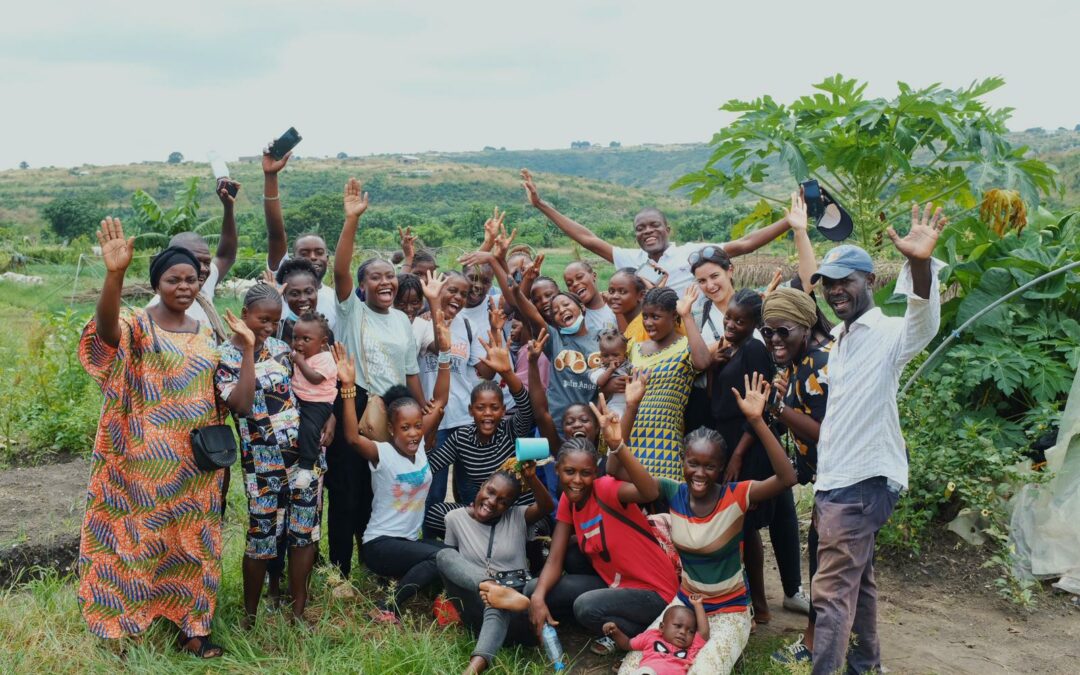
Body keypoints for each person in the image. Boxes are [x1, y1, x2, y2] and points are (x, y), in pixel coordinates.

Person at [809, 204, 947, 675]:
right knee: (857, 583)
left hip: (861, 484)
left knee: (829, 595)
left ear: (870, 280)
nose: (834, 291)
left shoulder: (887, 333)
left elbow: (923, 323)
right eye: (829, 283)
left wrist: (921, 264)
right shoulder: (842, 339)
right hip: (837, 482)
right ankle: (866, 665)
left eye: (844, 280)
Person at [78, 219, 226, 657]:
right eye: (173, 279)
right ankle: (126, 627)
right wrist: (114, 275)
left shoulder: (207, 332)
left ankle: (194, 628)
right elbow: (105, 336)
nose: (184, 286)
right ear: (156, 284)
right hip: (143, 464)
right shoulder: (137, 324)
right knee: (137, 546)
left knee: (194, 545)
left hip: (196, 466)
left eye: (191, 279)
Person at [609, 373, 798, 674]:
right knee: (633, 669)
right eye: (693, 463)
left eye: (709, 466)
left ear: (721, 468)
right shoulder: (672, 492)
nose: (699, 473)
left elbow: (787, 478)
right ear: (683, 462)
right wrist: (629, 413)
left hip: (730, 611)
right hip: (684, 607)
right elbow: (614, 470)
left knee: (704, 670)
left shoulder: (736, 496)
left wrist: (758, 421)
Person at [527, 397, 679, 656]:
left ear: (595, 474)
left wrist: (618, 445)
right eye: (569, 472)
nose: (577, 480)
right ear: (558, 471)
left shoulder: (606, 489)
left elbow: (650, 491)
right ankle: (592, 620)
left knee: (586, 607)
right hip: (616, 585)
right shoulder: (568, 500)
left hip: (654, 592)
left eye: (585, 473)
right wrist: (539, 597)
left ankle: (645, 630)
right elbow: (555, 559)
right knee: (533, 589)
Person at [329, 177, 423, 578]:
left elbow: (410, 370)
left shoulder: (402, 319)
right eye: (375, 277)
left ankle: (373, 565)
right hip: (357, 404)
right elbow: (339, 270)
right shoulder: (353, 312)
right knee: (347, 495)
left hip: (396, 413)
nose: (385, 282)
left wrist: (421, 420)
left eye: (390, 276)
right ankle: (339, 572)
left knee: (380, 494)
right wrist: (351, 221)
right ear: (362, 286)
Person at [215, 284, 324, 626]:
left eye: (274, 322)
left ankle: (297, 612)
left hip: (303, 461)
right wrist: (248, 348)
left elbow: (304, 392)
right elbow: (242, 404)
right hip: (261, 466)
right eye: (262, 319)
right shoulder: (223, 357)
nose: (268, 328)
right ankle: (250, 616)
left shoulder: (280, 348)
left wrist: (327, 418)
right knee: (261, 538)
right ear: (244, 314)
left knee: (303, 534)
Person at [333, 311, 452, 622]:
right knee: (441, 558)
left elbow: (439, 400)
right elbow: (350, 436)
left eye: (417, 427)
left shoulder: (421, 446)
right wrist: (347, 388)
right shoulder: (382, 453)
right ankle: (389, 608)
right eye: (405, 429)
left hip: (408, 543)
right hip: (380, 545)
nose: (413, 433)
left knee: (452, 556)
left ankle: (404, 588)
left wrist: (446, 355)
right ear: (391, 429)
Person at [521, 168, 791, 296]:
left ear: (667, 229)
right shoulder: (631, 260)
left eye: (654, 226)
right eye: (640, 229)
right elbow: (588, 239)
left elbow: (744, 244)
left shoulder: (690, 253)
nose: (647, 231)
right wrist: (541, 204)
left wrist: (790, 221)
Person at [761, 288, 833, 666]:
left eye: (783, 331)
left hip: (843, 479)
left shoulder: (820, 364)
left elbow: (825, 433)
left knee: (824, 562)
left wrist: (776, 407)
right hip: (827, 478)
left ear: (805, 326)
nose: (774, 340)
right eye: (767, 332)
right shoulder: (798, 363)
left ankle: (814, 642)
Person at [436, 466, 555, 674]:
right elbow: (455, 567)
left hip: (521, 609)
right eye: (490, 492)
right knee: (444, 556)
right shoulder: (454, 518)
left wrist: (532, 478)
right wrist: (490, 587)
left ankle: (471, 671)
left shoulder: (518, 516)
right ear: (482, 486)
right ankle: (492, 588)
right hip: (478, 606)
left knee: (528, 589)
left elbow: (546, 506)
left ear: (509, 506)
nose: (492, 502)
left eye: (503, 501)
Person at [424, 324, 536, 538]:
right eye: (480, 408)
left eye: (494, 408)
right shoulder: (462, 438)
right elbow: (430, 466)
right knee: (434, 513)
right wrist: (431, 432)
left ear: (503, 411)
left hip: (513, 512)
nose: (487, 414)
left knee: (537, 525)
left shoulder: (510, 430)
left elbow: (526, 406)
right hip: (484, 513)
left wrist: (506, 372)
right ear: (471, 410)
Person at [626, 287, 712, 481]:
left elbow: (703, 362)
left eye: (655, 317)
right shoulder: (634, 348)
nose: (648, 323)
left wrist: (687, 316)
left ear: (674, 316)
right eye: (645, 316)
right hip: (631, 440)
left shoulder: (685, 347)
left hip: (664, 447)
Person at [513, 254, 599, 433]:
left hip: (592, 427)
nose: (562, 310)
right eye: (555, 311)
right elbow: (530, 313)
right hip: (557, 425)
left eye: (566, 305)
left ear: (582, 307)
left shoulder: (601, 338)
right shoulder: (554, 339)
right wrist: (522, 285)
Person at [147, 179, 239, 342]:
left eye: (206, 262)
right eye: (195, 262)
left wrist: (228, 207)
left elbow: (226, 256)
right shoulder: (156, 315)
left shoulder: (199, 286)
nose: (203, 268)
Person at [263, 147, 338, 331]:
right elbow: (276, 234)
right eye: (304, 253)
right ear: (291, 257)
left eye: (319, 252)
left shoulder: (336, 299)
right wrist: (271, 176)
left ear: (327, 258)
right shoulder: (280, 291)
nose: (313, 257)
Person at [604, 595, 709, 675]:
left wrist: (698, 605)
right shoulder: (651, 636)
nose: (683, 632)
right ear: (662, 627)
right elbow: (627, 644)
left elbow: (703, 633)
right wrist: (616, 632)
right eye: (677, 626)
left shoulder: (691, 649)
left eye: (690, 631)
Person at [564, 261, 617, 333]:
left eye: (579, 277)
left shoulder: (615, 304)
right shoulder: (577, 317)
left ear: (594, 276)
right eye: (569, 284)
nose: (575, 284)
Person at [589, 328, 631, 418]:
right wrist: (610, 370)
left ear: (625, 355)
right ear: (600, 356)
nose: (610, 358)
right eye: (605, 355)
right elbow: (600, 382)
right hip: (614, 406)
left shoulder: (629, 366)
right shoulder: (602, 370)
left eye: (615, 355)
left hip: (631, 403)